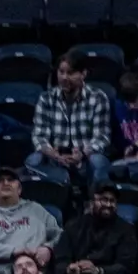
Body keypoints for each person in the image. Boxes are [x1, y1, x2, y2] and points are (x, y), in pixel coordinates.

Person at [28, 51, 110, 186]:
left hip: (85, 158)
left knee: (98, 161)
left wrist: (82, 154)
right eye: (61, 72)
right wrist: (52, 153)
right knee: (33, 160)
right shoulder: (46, 98)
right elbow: (39, 135)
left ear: (83, 74)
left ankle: (95, 202)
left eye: (71, 73)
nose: (64, 77)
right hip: (54, 157)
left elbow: (102, 137)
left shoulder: (98, 98)